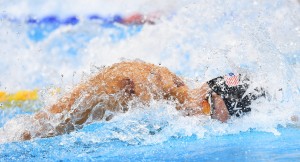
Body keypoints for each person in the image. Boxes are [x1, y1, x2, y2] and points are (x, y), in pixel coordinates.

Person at [14, 61, 265, 140]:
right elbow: (131, 76)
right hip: (51, 123)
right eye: (208, 109)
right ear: (215, 100)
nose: (201, 116)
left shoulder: (184, 92)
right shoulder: (156, 89)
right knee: (26, 134)